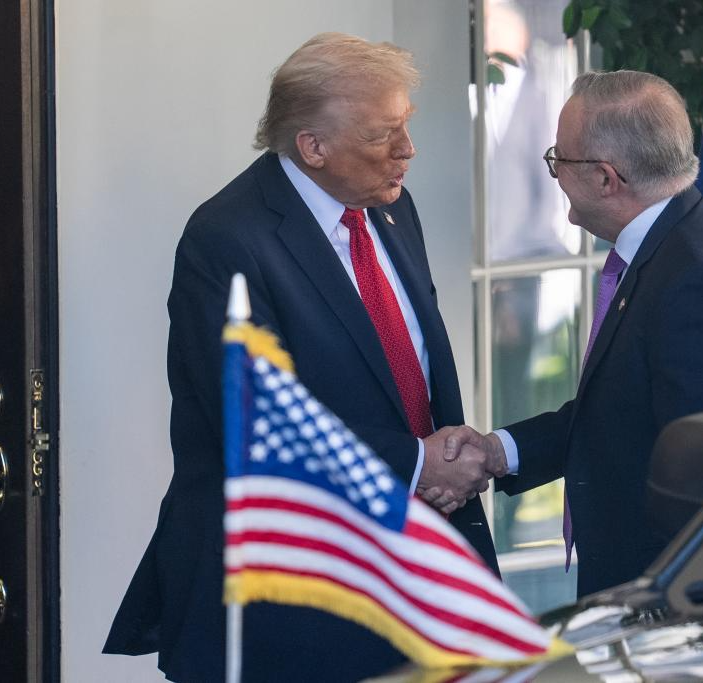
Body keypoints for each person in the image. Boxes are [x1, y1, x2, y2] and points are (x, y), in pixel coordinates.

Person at [103, 33, 497, 682]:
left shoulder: (395, 212)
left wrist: (448, 464)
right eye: (384, 133)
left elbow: (407, 377)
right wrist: (419, 462)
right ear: (313, 147)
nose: (408, 150)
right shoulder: (227, 240)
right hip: (288, 607)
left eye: (408, 125)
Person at [432, 70, 703, 598]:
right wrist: (497, 451)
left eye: (560, 158)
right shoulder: (678, 239)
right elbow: (618, 412)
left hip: (670, 599)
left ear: (606, 178)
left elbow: (700, 482)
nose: (553, 174)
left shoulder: (696, 278)